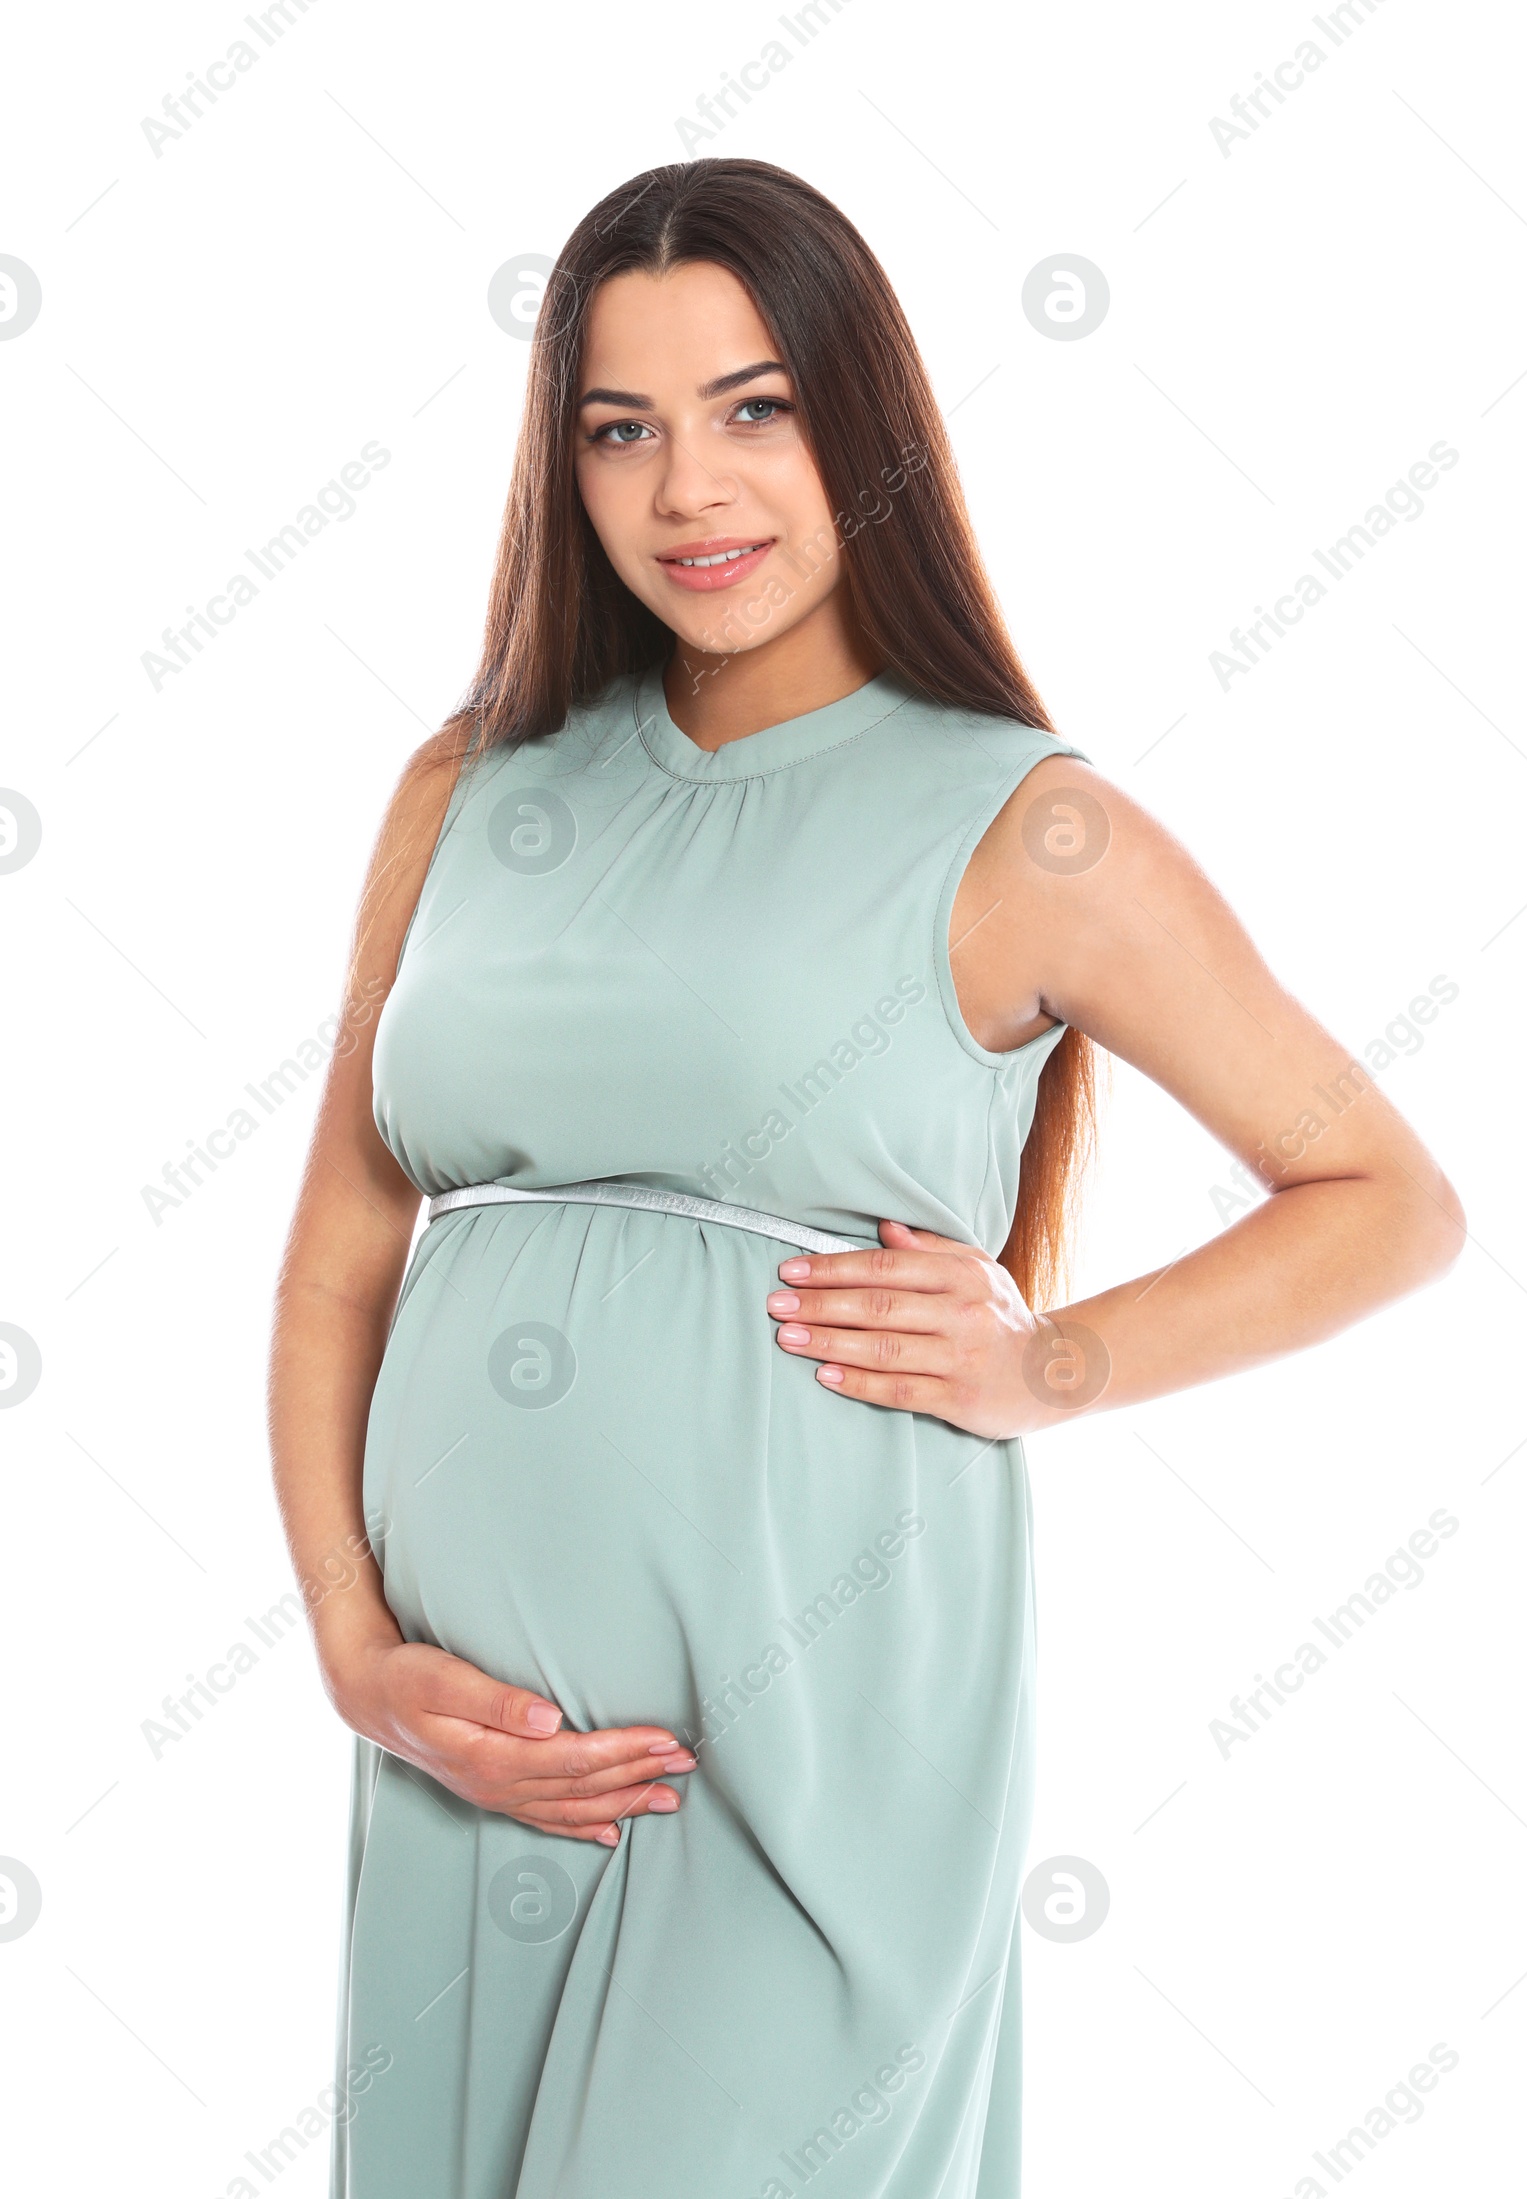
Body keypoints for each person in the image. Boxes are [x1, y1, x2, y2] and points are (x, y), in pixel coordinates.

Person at [268, 157, 1463, 2199]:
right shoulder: (469, 789)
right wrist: (355, 1645)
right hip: (467, 1768)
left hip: (805, 1745)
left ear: (862, 422)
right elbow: (340, 1263)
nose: (686, 491)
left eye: (754, 409)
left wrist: (1048, 1362)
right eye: (618, 429)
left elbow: (1379, 1191)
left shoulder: (1022, 823)